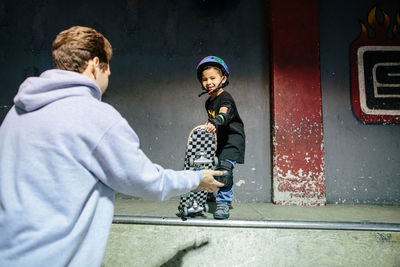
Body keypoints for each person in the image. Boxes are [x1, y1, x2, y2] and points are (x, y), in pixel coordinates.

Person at [0, 26, 223, 267]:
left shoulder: (16, 113)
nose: (110, 74)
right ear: (95, 64)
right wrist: (196, 178)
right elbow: (148, 182)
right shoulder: (96, 116)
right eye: (108, 67)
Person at [196, 56, 246, 220]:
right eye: (204, 79)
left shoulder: (226, 98)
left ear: (223, 79)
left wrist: (216, 121)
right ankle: (207, 196)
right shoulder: (208, 102)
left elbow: (225, 113)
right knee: (208, 169)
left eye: (212, 78)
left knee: (224, 171)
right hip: (218, 142)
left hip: (232, 141)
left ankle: (223, 204)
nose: (208, 82)